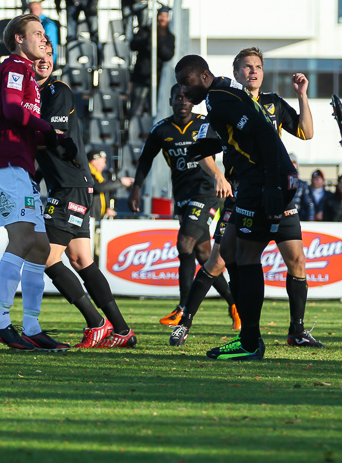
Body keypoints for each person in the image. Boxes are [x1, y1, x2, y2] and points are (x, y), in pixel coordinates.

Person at [167, 47, 319, 349]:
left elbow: (294, 133)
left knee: (269, 259)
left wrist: (302, 96)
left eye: (258, 66)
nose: (253, 71)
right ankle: (196, 323)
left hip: (265, 185)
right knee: (225, 258)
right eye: (247, 67)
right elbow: (207, 147)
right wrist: (215, 171)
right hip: (247, 188)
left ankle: (261, 337)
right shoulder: (223, 99)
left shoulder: (256, 102)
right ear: (235, 73)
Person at [0, 13, 77, 351]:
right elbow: (9, 109)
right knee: (22, 240)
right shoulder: (15, 68)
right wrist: (51, 131)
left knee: (39, 246)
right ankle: (0, 321)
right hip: (5, 165)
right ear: (19, 40)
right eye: (37, 33)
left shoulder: (27, 76)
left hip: (18, 167)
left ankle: (33, 326)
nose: (43, 38)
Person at [33, 39, 137, 348]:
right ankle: (121, 330)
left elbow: (49, 135)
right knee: (81, 259)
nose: (45, 59)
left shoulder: (57, 91)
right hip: (69, 185)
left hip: (68, 187)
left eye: (49, 55)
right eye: (40, 54)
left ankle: (96, 323)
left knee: (47, 258)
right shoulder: (33, 95)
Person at [128, 84, 236, 326]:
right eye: (178, 98)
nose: (183, 102)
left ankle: (183, 307)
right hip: (183, 197)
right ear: (171, 101)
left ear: (193, 103)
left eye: (187, 98)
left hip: (207, 192)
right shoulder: (161, 130)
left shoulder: (204, 124)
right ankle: (234, 303)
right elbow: (146, 159)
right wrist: (135, 189)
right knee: (204, 254)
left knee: (184, 242)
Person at [128, 6, 176, 117]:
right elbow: (133, 45)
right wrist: (148, 39)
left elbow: (168, 55)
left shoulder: (169, 37)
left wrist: (159, 42)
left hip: (157, 79)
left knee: (154, 110)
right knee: (137, 109)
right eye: (161, 16)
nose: (162, 19)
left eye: (165, 16)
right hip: (141, 77)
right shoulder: (146, 31)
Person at [88, 150, 128, 220]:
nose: (104, 165)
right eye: (103, 162)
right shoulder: (87, 174)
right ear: (94, 161)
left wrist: (107, 207)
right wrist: (120, 182)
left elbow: (104, 192)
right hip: (90, 215)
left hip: (99, 216)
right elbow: (98, 187)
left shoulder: (101, 175)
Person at [290, 154, 315, 221]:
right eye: (289, 162)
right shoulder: (279, 184)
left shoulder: (302, 185)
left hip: (298, 219)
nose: (291, 165)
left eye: (293, 163)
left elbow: (310, 206)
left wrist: (309, 223)